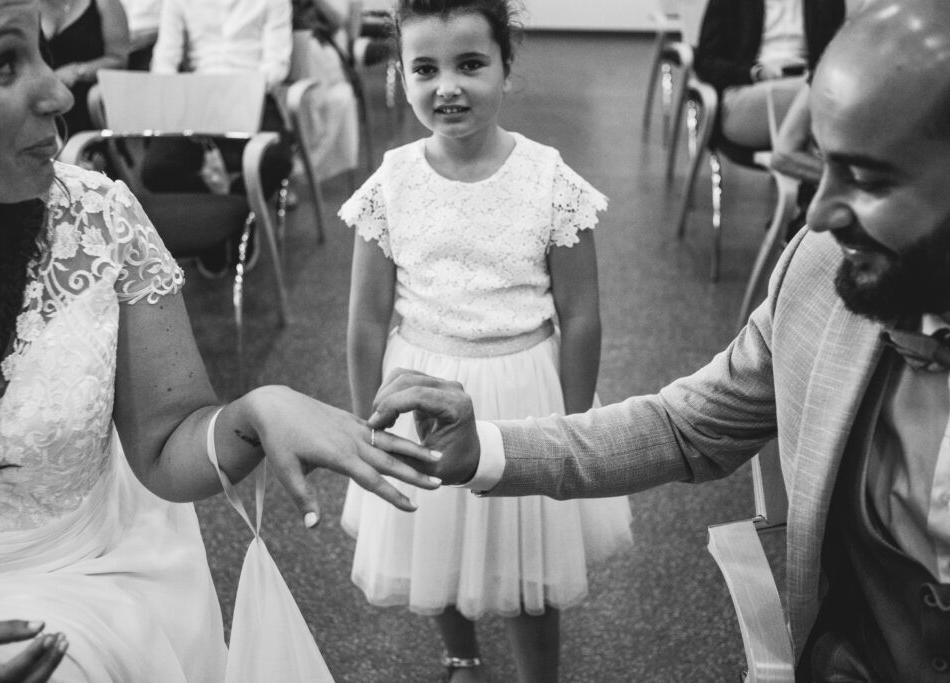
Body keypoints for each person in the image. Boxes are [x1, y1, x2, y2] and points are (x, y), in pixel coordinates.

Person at [370, 1, 950, 679]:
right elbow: (682, 426)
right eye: (822, 166)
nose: (817, 214)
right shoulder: (820, 272)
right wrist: (485, 449)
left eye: (870, 179)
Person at [0, 0, 440, 680]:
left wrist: (254, 412)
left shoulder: (98, 219)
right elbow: (165, 58)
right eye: (3, 63)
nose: (59, 89)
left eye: (43, 51)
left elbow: (168, 441)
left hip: (92, 583)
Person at [339, 1, 632, 680]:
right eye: (425, 68)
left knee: (531, 552)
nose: (448, 86)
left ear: (506, 67)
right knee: (434, 541)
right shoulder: (392, 182)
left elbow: (581, 313)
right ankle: (462, 652)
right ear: (402, 77)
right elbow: (364, 318)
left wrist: (575, 423)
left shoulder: (550, 179)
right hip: (420, 381)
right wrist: (370, 427)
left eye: (470, 64)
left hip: (526, 385)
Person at [144, 0, 295, 278]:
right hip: (196, 92)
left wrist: (237, 93)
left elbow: (277, 62)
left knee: (277, 159)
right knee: (156, 169)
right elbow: (165, 59)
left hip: (253, 90)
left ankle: (242, 214)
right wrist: (181, 98)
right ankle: (212, 219)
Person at [694, 0, 844, 150]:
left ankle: (789, 160)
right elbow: (706, 62)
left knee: (831, 92)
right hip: (746, 91)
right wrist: (756, 73)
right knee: (823, 97)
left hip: (807, 84)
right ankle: (789, 158)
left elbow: (836, 54)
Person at [291, 0, 361, 181]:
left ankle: (306, 154)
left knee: (311, 52)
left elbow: (338, 18)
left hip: (320, 45)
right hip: (282, 46)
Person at [40, 0, 128, 136]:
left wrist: (77, 71)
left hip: (88, 100)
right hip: (43, 100)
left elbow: (118, 60)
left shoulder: (105, 3)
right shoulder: (26, 7)